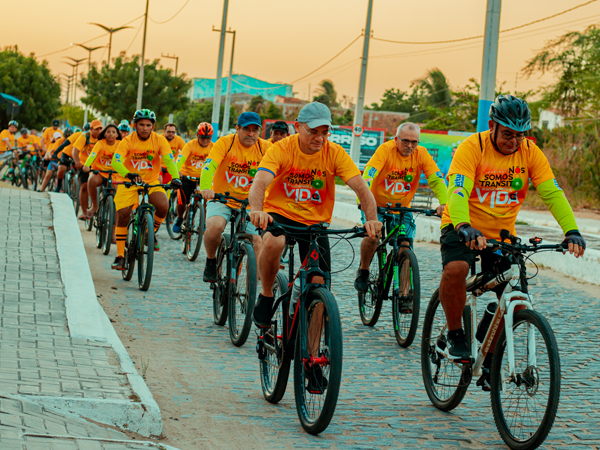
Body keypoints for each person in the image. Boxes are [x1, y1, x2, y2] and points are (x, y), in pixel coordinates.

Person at [439, 94, 585, 389]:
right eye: (508, 134)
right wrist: (464, 225)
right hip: (463, 224)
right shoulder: (472, 147)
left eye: (520, 135)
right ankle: (455, 334)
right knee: (456, 270)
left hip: (501, 233)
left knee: (517, 302)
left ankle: (488, 356)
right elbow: (458, 191)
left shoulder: (530, 152)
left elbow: (552, 193)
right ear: (492, 125)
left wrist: (571, 231)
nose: (514, 141)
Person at [248, 101, 382, 328]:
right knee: (273, 241)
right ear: (298, 126)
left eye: (325, 132)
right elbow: (259, 182)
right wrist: (257, 210)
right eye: (313, 132)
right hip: (280, 213)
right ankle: (266, 294)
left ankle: (314, 357)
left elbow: (362, 189)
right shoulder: (281, 149)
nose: (320, 138)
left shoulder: (335, 153)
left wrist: (372, 220)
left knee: (320, 286)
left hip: (315, 223)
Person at [354, 122, 448, 294]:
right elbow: (369, 173)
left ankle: (405, 293)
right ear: (396, 139)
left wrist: (444, 202)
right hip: (376, 206)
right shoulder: (385, 150)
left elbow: (435, 178)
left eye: (414, 142)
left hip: (402, 208)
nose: (410, 146)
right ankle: (364, 269)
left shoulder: (422, 154)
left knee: (405, 245)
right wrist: (363, 198)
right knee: (373, 236)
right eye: (405, 141)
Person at [199, 112, 270, 282]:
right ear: (237, 128)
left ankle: (251, 289)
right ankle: (210, 260)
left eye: (255, 130)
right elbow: (209, 166)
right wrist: (205, 188)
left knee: (258, 242)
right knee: (215, 226)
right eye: (246, 129)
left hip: (250, 203)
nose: (251, 134)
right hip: (222, 198)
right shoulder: (225, 143)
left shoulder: (265, 148)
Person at [110, 109, 181, 270]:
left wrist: (175, 177)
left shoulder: (159, 140)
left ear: (153, 126)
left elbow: (169, 160)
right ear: (135, 125)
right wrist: (128, 174)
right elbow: (116, 161)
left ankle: (150, 232)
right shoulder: (127, 141)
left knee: (163, 206)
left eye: (148, 125)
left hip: (151, 182)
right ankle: (120, 256)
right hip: (129, 182)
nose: (144, 128)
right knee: (123, 215)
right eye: (141, 124)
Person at [172, 122, 214, 233]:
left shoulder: (213, 147)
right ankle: (180, 218)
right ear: (197, 136)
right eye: (202, 138)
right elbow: (180, 160)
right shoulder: (190, 145)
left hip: (203, 178)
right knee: (182, 200)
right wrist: (178, 172)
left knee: (205, 200)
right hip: (187, 176)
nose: (205, 140)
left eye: (208, 138)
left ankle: (203, 222)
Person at [82, 123, 122, 217]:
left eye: (113, 132)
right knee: (91, 180)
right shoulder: (100, 143)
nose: (111, 134)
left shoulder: (120, 144)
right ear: (104, 134)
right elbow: (92, 155)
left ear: (117, 135)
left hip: (115, 174)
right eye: (108, 132)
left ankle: (113, 230)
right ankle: (94, 206)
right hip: (100, 172)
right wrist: (87, 165)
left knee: (116, 202)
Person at [73, 120, 103, 219]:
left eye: (100, 129)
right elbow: (75, 150)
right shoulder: (85, 136)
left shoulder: (102, 137)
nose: (99, 131)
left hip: (97, 166)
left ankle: (104, 206)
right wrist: (77, 162)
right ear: (90, 129)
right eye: (96, 129)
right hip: (84, 165)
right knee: (84, 187)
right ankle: (85, 212)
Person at [52, 127, 83, 192]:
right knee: (61, 168)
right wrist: (55, 153)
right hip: (67, 153)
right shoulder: (77, 134)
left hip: (78, 156)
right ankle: (59, 185)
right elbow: (65, 143)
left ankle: (77, 187)